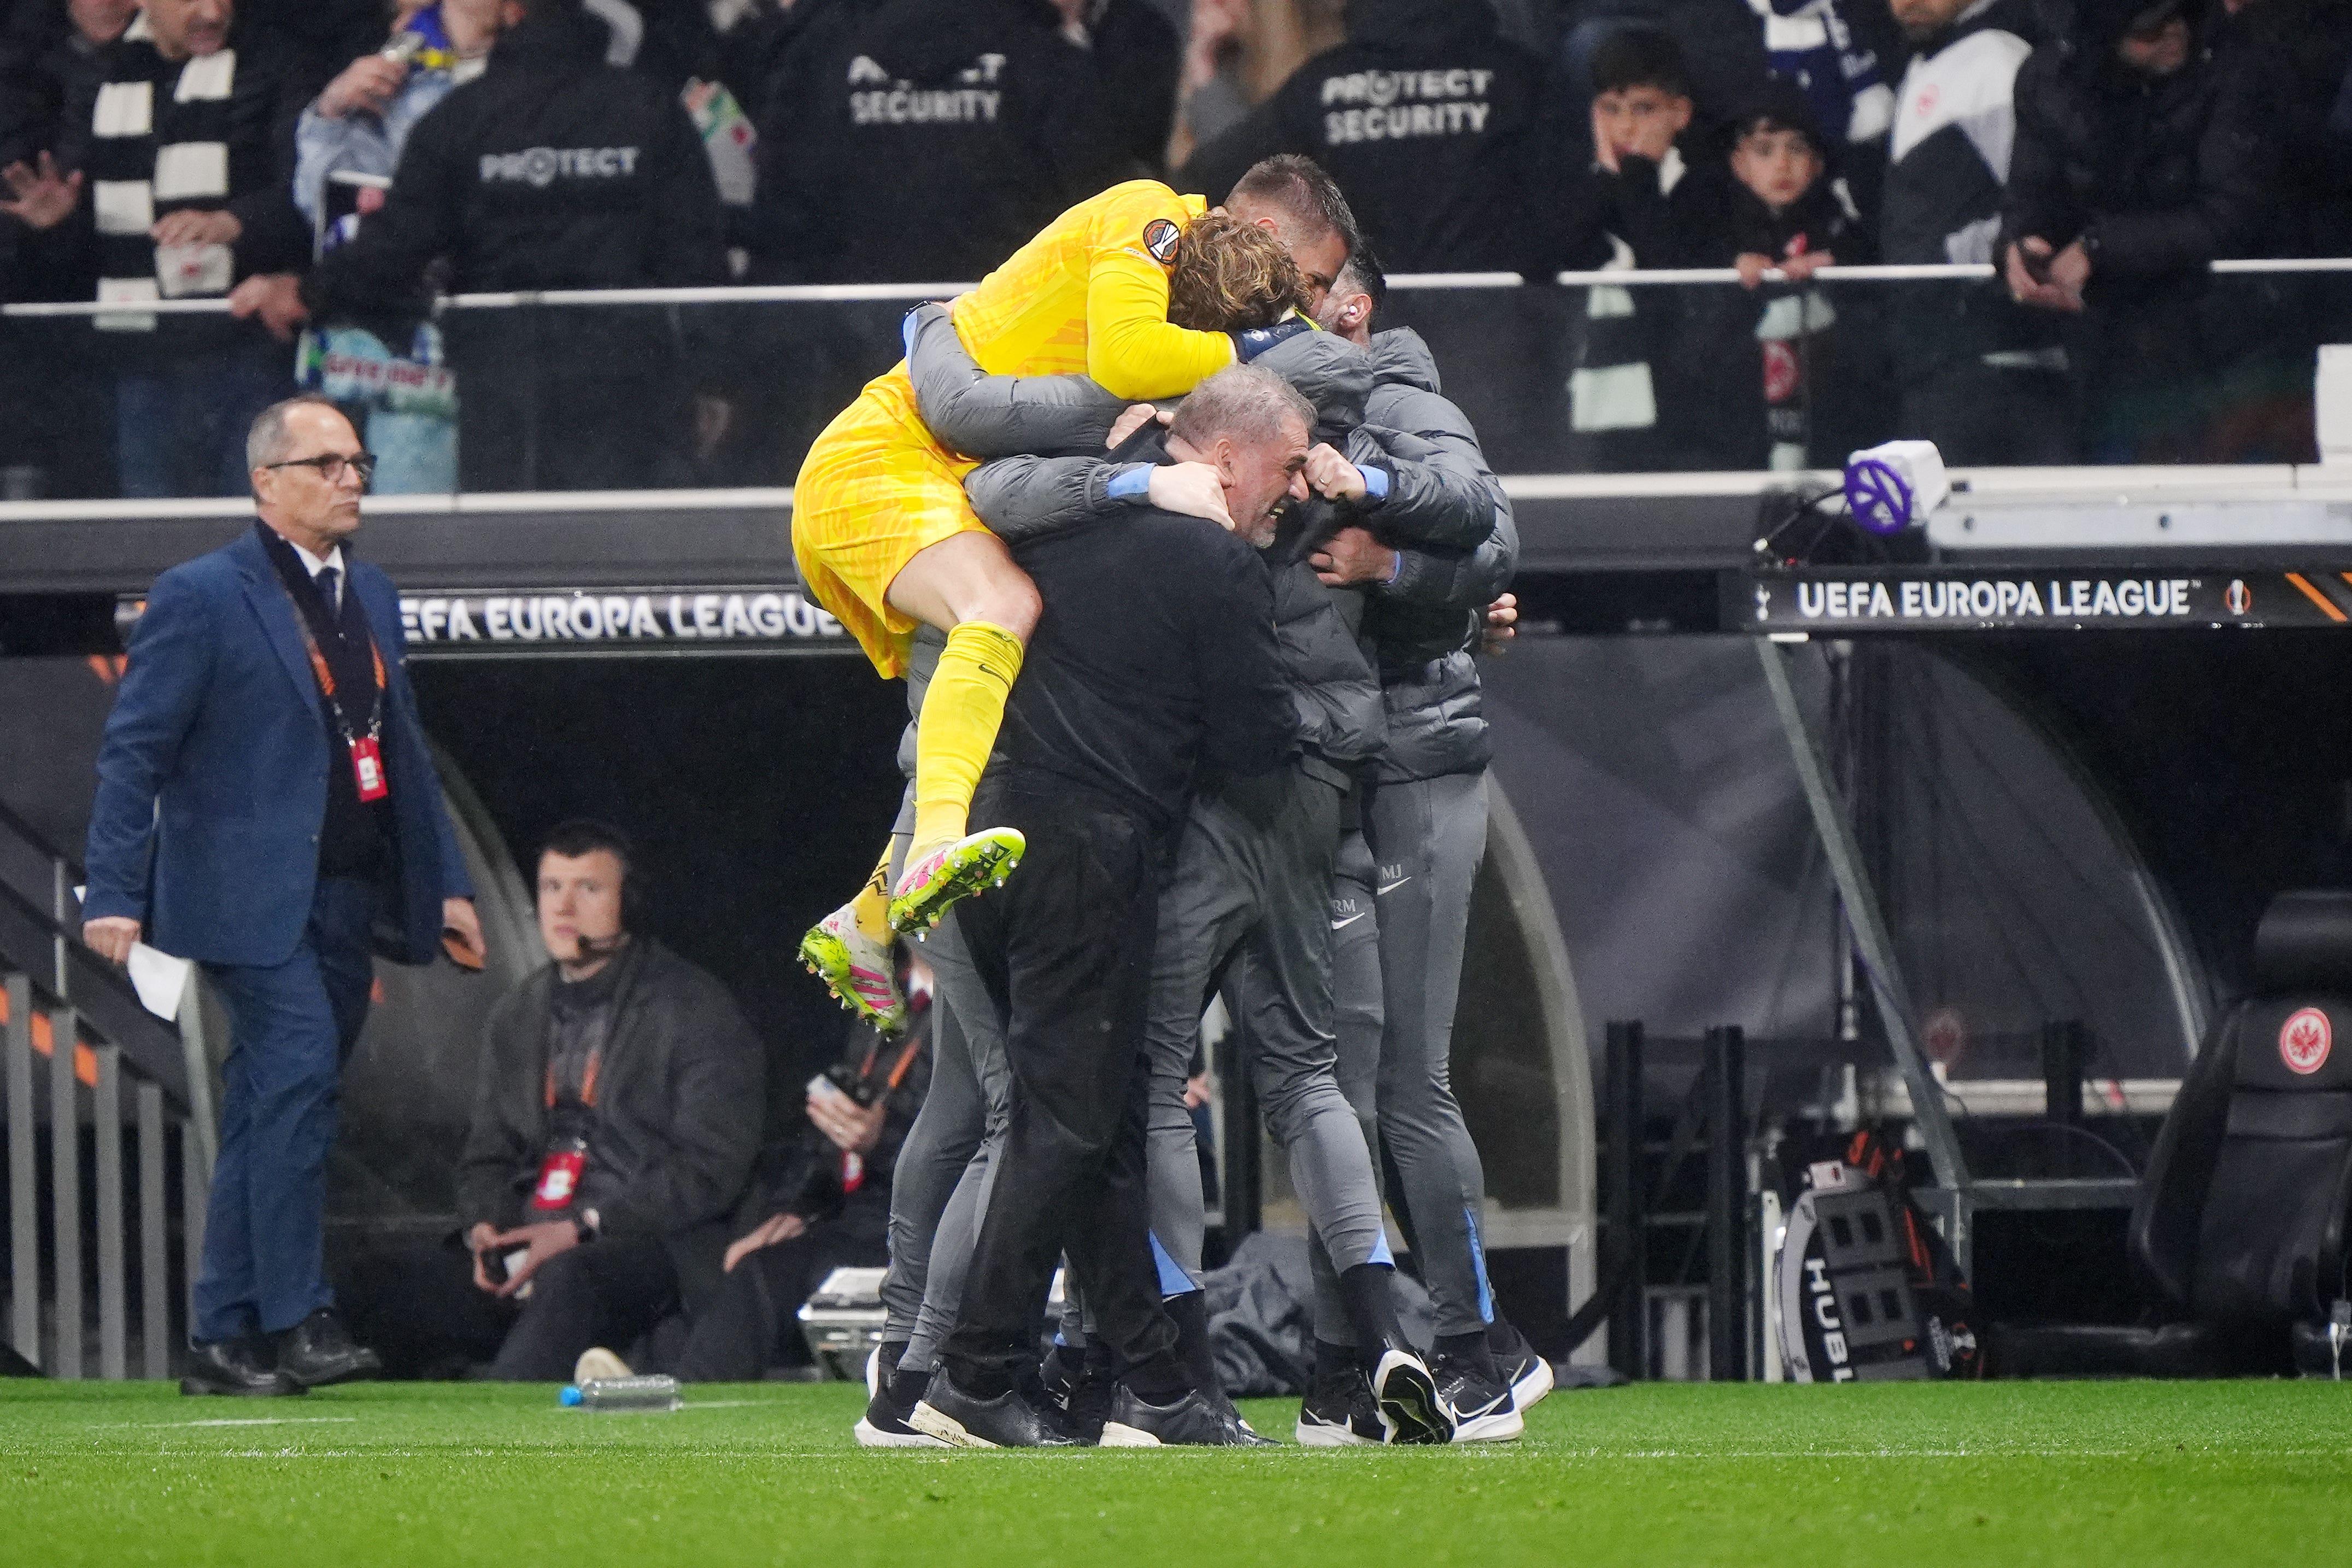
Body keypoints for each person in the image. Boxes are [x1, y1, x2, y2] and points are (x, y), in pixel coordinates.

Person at [790, 156, 1353, 1036]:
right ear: (1266, 243)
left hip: (927, 470)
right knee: (1001, 609)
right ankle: (930, 855)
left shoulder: (1183, 350)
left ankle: (867, 915)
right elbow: (1047, 383)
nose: (1307, 312)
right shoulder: (1147, 215)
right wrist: (1242, 357)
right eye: (1307, 285)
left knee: (986, 672)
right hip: (882, 457)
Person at [907, 365, 1310, 1449]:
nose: (1295, 492)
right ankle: (971, 1374)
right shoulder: (1214, 557)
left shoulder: (1054, 519)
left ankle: (1161, 1388)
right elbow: (1258, 749)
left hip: (985, 843)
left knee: (1094, 1122)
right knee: (1066, 1124)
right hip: (1093, 852)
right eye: (1285, 468)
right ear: (1227, 459)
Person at [81, 392, 483, 1396]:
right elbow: (134, 753)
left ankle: (222, 1334)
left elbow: (405, 754)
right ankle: (299, 1316)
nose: (353, 479)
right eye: (329, 463)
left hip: (348, 892)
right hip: (239, 897)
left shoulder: (374, 593)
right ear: (267, 481)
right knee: (299, 1074)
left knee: (272, 1103)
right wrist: (114, 890)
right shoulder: (200, 593)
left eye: (359, 462)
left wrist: (448, 885)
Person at [1293, 243, 1549, 1441]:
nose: (1267, 303)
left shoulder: (1398, 397)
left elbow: (1494, 541)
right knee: (1330, 1080)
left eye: (1286, 278)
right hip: (1325, 768)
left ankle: (1477, 1345)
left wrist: (1387, 555)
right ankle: (1347, 1361)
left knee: (1405, 1078)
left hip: (1415, 754)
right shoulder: (1254, 396)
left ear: (1347, 291)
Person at [225, 0, 728, 491]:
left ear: (513, 17)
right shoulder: (651, 109)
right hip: (631, 381)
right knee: (625, 548)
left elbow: (393, 248)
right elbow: (697, 259)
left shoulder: (461, 118)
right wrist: (713, 380)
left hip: (504, 384)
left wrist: (304, 292)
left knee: (511, 549)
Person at [344, 820, 766, 1381]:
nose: (563, 907)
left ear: (630, 904)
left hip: (640, 1245)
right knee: (375, 1284)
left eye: (588, 889)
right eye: (551, 888)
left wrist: (580, 1228)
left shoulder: (693, 1008)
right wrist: (486, 1231)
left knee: (572, 1276)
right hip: (531, 1237)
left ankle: (500, 1438)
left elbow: (710, 1168)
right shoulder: (518, 1014)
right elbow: (487, 1156)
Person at [0, 0, 312, 497]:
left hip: (246, 347)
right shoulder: (97, 77)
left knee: (257, 529)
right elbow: (81, 246)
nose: (212, 12)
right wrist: (55, 221)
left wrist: (236, 222)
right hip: (137, 359)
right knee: (154, 534)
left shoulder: (275, 63)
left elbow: (308, 191)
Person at [1999, 0, 2278, 462]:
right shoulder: (2048, 80)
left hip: (2220, 330)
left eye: (2178, 17)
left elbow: (2233, 215)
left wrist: (2098, 247)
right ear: (2106, 38)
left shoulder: (2231, 70)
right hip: (2095, 341)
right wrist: (2021, 246)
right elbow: (2028, 196)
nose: (2173, 35)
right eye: (2150, 31)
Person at [674, 947, 932, 1383]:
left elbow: (984, 1143)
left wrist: (882, 1139)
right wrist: (800, 1208)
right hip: (857, 1212)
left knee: (762, 1276)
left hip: (925, 1228)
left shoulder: (982, 1009)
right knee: (726, 1256)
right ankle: (668, 1385)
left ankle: (681, 1407)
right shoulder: (881, 998)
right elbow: (834, 1140)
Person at [1180, 0, 1564, 274]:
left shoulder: (1320, 88)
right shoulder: (1520, 77)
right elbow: (1570, 208)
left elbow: (1209, 179)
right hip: (1503, 339)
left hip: (1363, 332)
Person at [1879, 0, 2069, 466]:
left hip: (1998, 364)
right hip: (1945, 359)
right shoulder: (1934, 62)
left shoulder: (1997, 61)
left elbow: (2048, 206)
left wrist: (1962, 262)